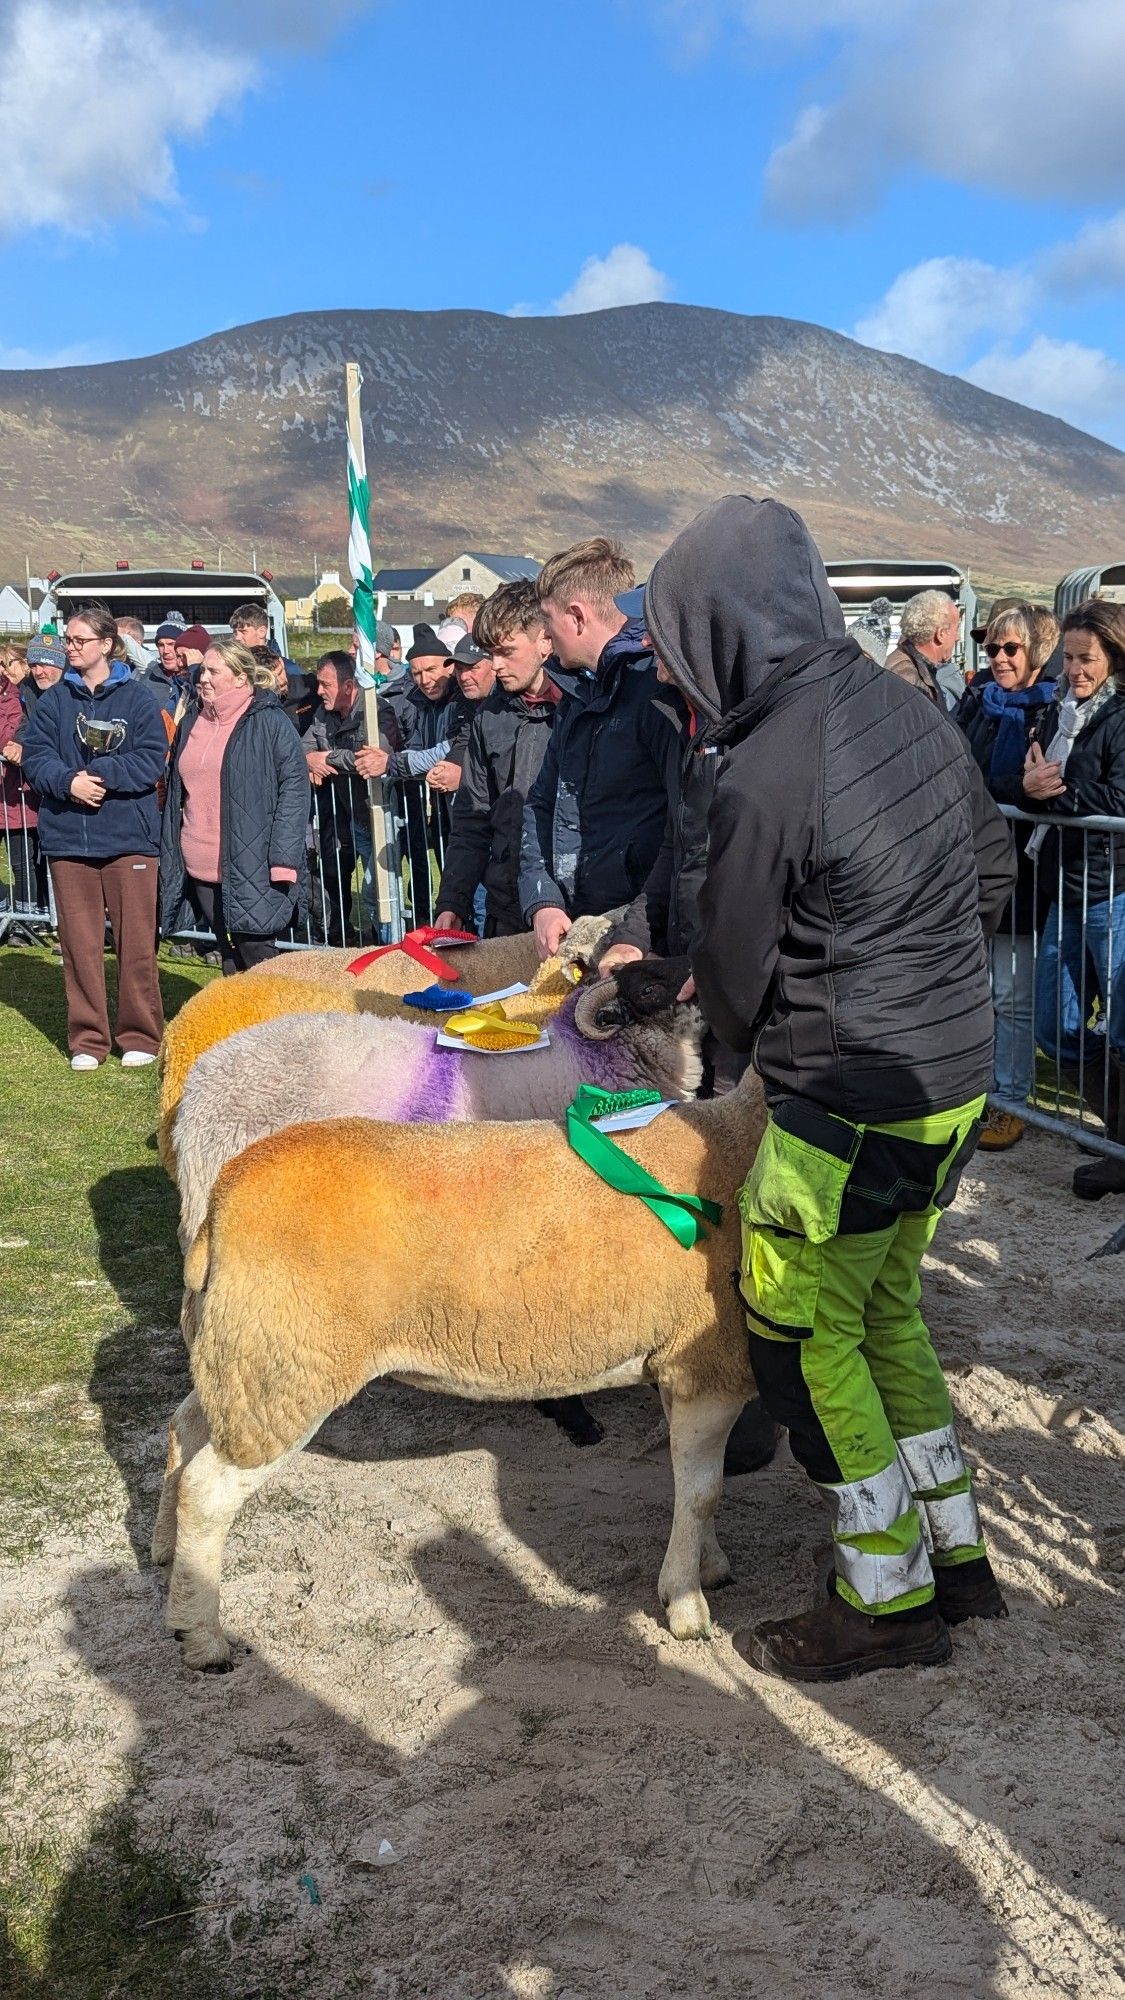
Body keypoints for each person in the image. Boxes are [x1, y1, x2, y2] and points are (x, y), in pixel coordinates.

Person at [653, 494, 1015, 1683]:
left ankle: (887, 1591)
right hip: (950, 1077)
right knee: (886, 1307)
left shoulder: (765, 764)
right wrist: (929, 981)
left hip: (849, 1099)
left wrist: (788, 1024)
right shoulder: (904, 709)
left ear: (720, 628)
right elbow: (994, 870)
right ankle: (958, 1553)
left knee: (802, 1336)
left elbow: (737, 957)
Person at [519, 539, 682, 960]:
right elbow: (542, 802)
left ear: (576, 616)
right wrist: (543, 899)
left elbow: (685, 825)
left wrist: (638, 932)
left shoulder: (657, 692)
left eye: (548, 621)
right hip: (583, 925)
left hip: (642, 938)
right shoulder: (577, 694)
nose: (546, 637)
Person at [21, 607, 168, 1069]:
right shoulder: (53, 702)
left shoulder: (139, 699)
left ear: (105, 644)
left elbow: (151, 758)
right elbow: (35, 756)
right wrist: (68, 783)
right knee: (79, 945)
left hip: (129, 839)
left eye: (79, 640)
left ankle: (141, 1036)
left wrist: (99, 774)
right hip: (69, 841)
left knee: (136, 944)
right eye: (68, 640)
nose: (70, 647)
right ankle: (88, 1040)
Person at [1023, 599, 1125, 1199]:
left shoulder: (1121, 718)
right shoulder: (1054, 713)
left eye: (1087, 658)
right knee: (1055, 1026)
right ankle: (1119, 1135)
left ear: (1113, 657)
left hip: (1113, 893)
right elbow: (1025, 779)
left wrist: (1048, 793)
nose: (1075, 669)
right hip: (1065, 889)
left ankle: (1119, 1146)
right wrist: (1027, 786)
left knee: (1122, 1034)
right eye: (1068, 657)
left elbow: (1118, 799)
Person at [955, 602, 1059, 1151]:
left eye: (1010, 648)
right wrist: (1014, 790)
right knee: (977, 987)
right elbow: (958, 770)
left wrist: (1009, 792)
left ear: (1037, 651)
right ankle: (981, 1092)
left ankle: (1011, 1099)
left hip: (1023, 871)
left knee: (1012, 993)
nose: (998, 658)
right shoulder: (979, 702)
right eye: (992, 647)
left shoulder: (1054, 709)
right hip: (970, 867)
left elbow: (1042, 787)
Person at [160, 639, 309, 975]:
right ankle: (240, 1026)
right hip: (201, 864)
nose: (204, 678)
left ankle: (280, 1028)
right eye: (202, 671)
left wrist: (284, 860)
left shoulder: (270, 722)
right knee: (229, 957)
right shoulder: (191, 722)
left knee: (257, 958)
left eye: (214, 671)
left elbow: (295, 793)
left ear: (242, 678)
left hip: (255, 865)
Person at [434, 583, 559, 937]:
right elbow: (473, 818)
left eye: (506, 652)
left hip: (568, 907)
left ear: (544, 641)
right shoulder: (489, 717)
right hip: (505, 905)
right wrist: (453, 900)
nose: (496, 665)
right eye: (491, 653)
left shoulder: (579, 708)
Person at [305, 650, 399, 941]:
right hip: (351, 817)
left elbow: (373, 755)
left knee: (378, 889)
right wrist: (310, 759)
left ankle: (390, 947)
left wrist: (327, 758)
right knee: (364, 887)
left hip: (382, 817)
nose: (319, 691)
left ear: (348, 686)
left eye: (325, 684)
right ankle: (375, 943)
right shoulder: (324, 713)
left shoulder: (377, 710)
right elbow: (301, 747)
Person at [425, 634, 497, 798]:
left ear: (494, 665)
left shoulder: (510, 704)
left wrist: (464, 775)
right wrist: (448, 767)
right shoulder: (469, 704)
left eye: (472, 668)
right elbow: (464, 740)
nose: (464, 677)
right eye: (459, 669)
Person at [885, 590, 965, 712]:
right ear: (941, 634)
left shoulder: (912, 666)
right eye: (956, 628)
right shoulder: (908, 677)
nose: (958, 637)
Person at [146, 621, 194, 716]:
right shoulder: (148, 679)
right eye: (161, 645)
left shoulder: (197, 679)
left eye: (171, 644)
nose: (165, 651)